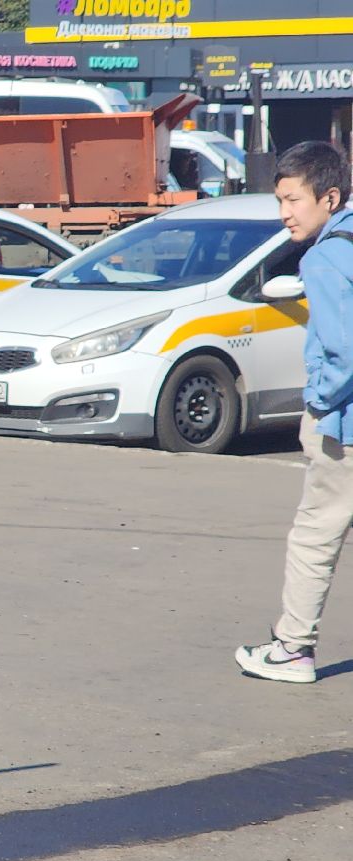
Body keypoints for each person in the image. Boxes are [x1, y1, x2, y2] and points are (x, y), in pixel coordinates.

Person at [236, 142, 353, 685]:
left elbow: (344, 352)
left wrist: (319, 402)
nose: (284, 213)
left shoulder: (326, 257)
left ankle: (292, 649)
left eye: (293, 200)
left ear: (329, 197)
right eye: (279, 201)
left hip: (344, 428)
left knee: (315, 535)